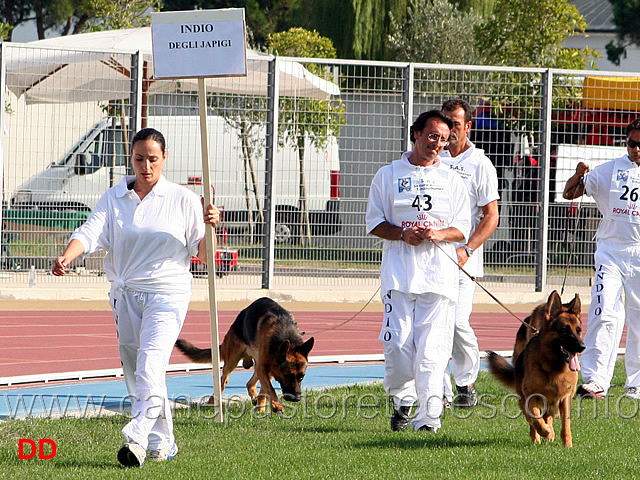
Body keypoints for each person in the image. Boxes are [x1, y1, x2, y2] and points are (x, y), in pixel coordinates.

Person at [51, 128, 220, 467]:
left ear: (164, 159)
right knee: (138, 371)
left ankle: (138, 439)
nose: (146, 166)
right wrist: (69, 255)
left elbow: (204, 254)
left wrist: (212, 226)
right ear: (131, 158)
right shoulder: (114, 198)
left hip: (166, 294)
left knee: (150, 364)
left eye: (153, 159)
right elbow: (90, 232)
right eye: (139, 159)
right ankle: (164, 443)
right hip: (124, 295)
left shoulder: (183, 200)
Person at [366, 110, 471, 432]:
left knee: (432, 351)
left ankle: (429, 418)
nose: (436, 144)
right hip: (399, 276)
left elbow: (462, 228)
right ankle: (402, 401)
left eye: (443, 139)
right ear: (416, 134)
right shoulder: (387, 174)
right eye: (431, 136)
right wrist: (402, 234)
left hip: (438, 278)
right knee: (398, 345)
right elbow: (374, 223)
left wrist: (439, 234)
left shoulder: (452, 180)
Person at [563, 118, 640, 400]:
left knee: (639, 318)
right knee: (604, 310)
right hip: (610, 251)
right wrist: (578, 173)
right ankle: (596, 380)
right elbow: (570, 193)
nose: (637, 149)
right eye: (632, 143)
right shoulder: (610, 170)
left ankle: (636, 383)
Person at [439, 99, 500, 408]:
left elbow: (491, 215)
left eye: (456, 124)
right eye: (445, 122)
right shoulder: (431, 158)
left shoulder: (480, 164)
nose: (449, 130)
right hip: (432, 259)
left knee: (457, 323)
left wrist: (468, 249)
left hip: (464, 258)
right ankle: (442, 392)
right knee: (434, 325)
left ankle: (466, 382)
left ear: (468, 127)